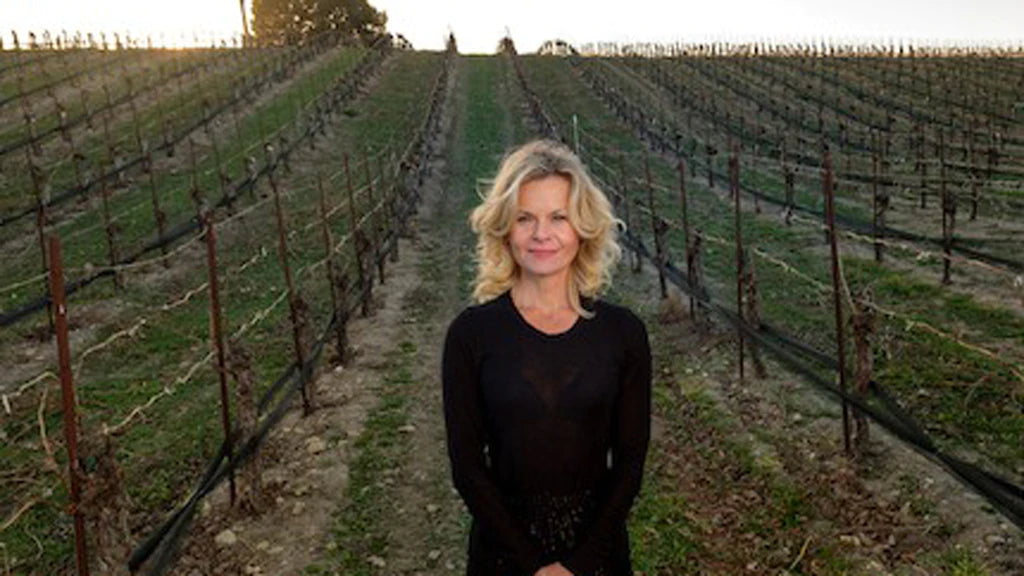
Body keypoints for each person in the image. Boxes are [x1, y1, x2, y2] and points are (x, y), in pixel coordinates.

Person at [442, 139, 652, 576]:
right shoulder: (471, 334)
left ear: (583, 228)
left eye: (558, 217)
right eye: (525, 219)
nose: (542, 234)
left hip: (598, 553)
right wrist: (533, 565)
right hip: (503, 553)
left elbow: (630, 463)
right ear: (505, 228)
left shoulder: (623, 333)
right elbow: (466, 466)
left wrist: (578, 564)